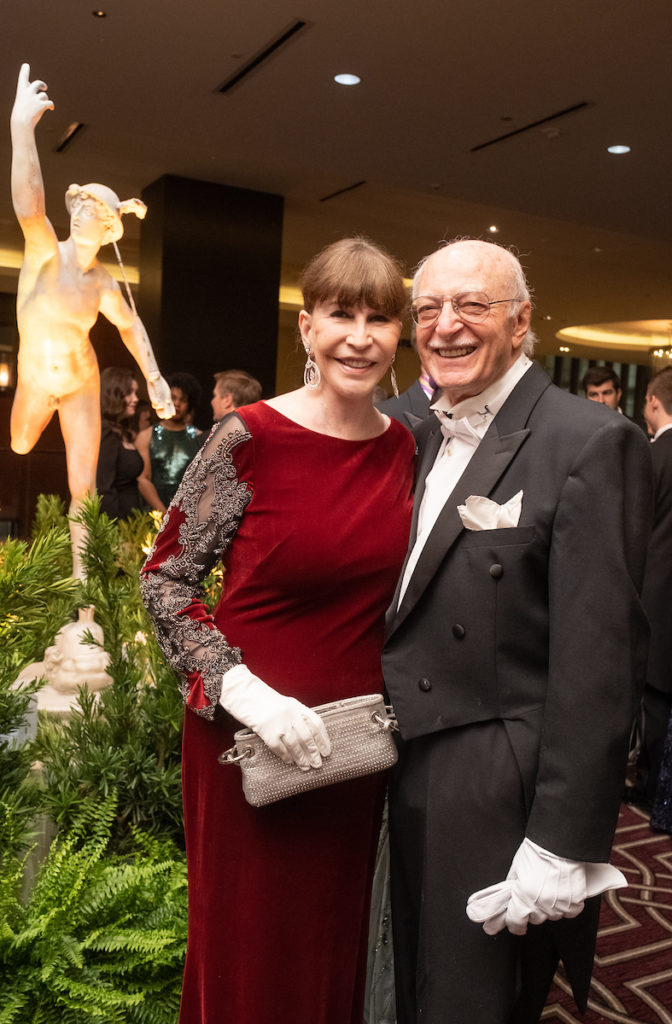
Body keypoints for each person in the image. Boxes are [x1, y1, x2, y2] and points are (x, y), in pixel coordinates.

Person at [139, 237, 415, 1024]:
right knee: (251, 937)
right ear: (306, 327)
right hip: (249, 735)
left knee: (332, 937)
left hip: (355, 741)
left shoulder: (403, 448)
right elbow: (165, 580)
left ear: (399, 335)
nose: (359, 337)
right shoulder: (249, 438)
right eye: (340, 315)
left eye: (378, 318)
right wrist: (243, 693)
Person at [381, 239, 653, 1024]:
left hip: (493, 777)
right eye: (427, 309)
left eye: (472, 305)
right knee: (395, 976)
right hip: (391, 756)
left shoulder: (589, 440)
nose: (445, 326)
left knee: (469, 997)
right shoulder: (405, 426)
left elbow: (597, 662)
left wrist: (563, 841)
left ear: (520, 321)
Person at [9, 63, 173, 577]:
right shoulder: (44, 254)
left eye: (95, 214)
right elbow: (30, 208)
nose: (83, 216)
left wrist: (154, 378)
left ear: (108, 230)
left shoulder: (103, 281)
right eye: (80, 208)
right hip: (37, 375)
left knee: (83, 484)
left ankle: (84, 581)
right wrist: (20, 129)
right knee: (19, 443)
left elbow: (130, 325)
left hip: (80, 376)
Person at [635, 367, 672, 808]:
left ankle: (653, 788)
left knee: (654, 694)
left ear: (653, 401)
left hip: (656, 587)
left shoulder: (652, 456)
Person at [135, 372, 203, 511]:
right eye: (173, 398)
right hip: (153, 514)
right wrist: (163, 513)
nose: (177, 404)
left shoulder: (199, 437)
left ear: (189, 404)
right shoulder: (146, 436)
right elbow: (143, 479)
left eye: (183, 400)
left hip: (188, 515)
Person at [96, 367, 145, 519]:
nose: (136, 399)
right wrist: (116, 532)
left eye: (135, 393)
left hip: (131, 523)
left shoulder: (122, 431)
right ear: (114, 395)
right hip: (117, 525)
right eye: (129, 393)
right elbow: (104, 489)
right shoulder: (106, 432)